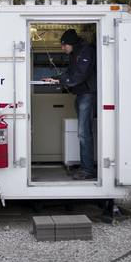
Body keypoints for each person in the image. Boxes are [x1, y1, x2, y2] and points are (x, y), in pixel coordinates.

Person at [43, 29, 97, 180]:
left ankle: (87, 170)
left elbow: (80, 75)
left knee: (83, 133)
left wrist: (62, 81)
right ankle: (85, 167)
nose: (62, 48)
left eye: (64, 45)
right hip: (81, 95)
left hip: (87, 95)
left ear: (71, 43)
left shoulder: (86, 52)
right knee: (83, 133)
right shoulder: (76, 54)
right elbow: (70, 73)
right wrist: (55, 78)